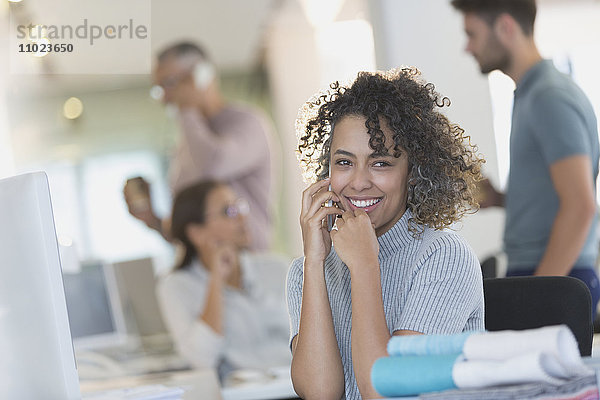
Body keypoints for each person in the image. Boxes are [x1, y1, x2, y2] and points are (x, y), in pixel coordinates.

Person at [287, 68, 486, 399]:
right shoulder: (307, 271)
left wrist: (365, 265)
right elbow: (320, 393)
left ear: (413, 170)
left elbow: (386, 394)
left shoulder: (443, 256)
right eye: (344, 162)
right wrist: (315, 262)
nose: (359, 181)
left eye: (380, 163)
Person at [451, 0, 600, 314]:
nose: (467, 47)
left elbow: (581, 206)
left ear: (505, 27)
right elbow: (558, 196)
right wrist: (502, 199)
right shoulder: (531, 94)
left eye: (472, 34)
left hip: (556, 275)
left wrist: (536, 294)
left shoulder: (549, 97)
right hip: (545, 271)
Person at [123, 42, 274, 250]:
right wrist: (153, 221)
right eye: (159, 88)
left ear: (201, 75)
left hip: (247, 269)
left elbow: (213, 166)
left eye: (169, 83)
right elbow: (191, 231)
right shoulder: (190, 140)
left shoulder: (247, 123)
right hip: (205, 273)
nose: (165, 98)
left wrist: (186, 109)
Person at [155, 181, 290, 379]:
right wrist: (216, 280)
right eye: (229, 211)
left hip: (298, 389)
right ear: (196, 233)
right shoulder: (176, 286)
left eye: (240, 207)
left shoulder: (277, 268)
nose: (243, 216)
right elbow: (201, 359)